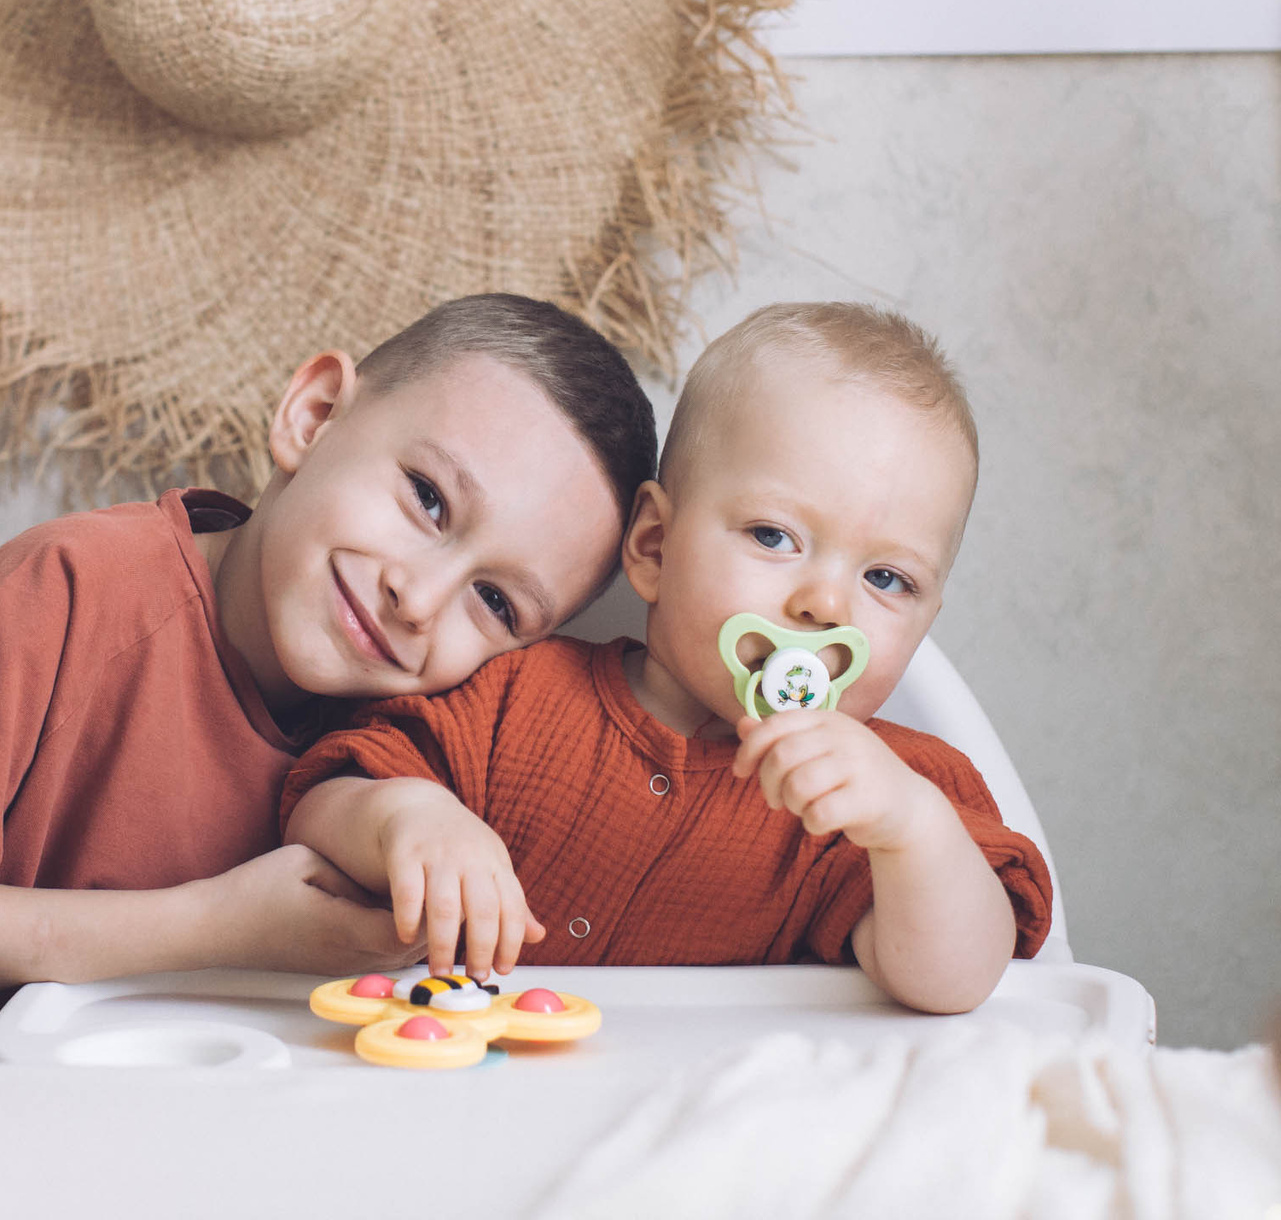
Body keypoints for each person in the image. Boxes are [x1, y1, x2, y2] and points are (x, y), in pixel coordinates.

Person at [0, 293, 658, 1055]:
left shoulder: (416, 745)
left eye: (497, 603)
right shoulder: (65, 591)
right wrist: (214, 924)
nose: (419, 596)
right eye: (427, 498)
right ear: (313, 416)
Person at [283, 302, 1051, 1013]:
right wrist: (406, 817)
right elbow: (317, 803)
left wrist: (911, 830)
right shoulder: (509, 694)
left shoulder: (889, 801)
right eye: (774, 536)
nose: (826, 604)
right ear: (654, 546)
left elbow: (958, 983)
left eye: (887, 579)